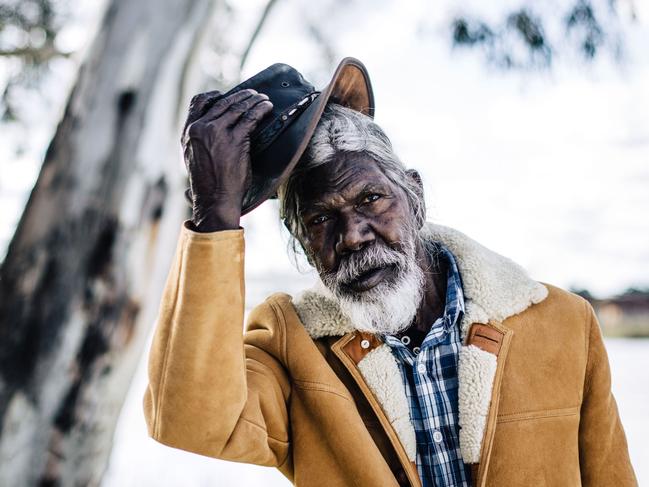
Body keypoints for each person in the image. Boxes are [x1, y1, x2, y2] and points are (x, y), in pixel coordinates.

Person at [143, 58, 637, 486]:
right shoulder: (288, 343)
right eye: (319, 219)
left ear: (415, 197)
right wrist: (214, 214)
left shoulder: (564, 324)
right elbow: (188, 420)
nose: (353, 234)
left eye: (370, 198)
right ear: (303, 244)